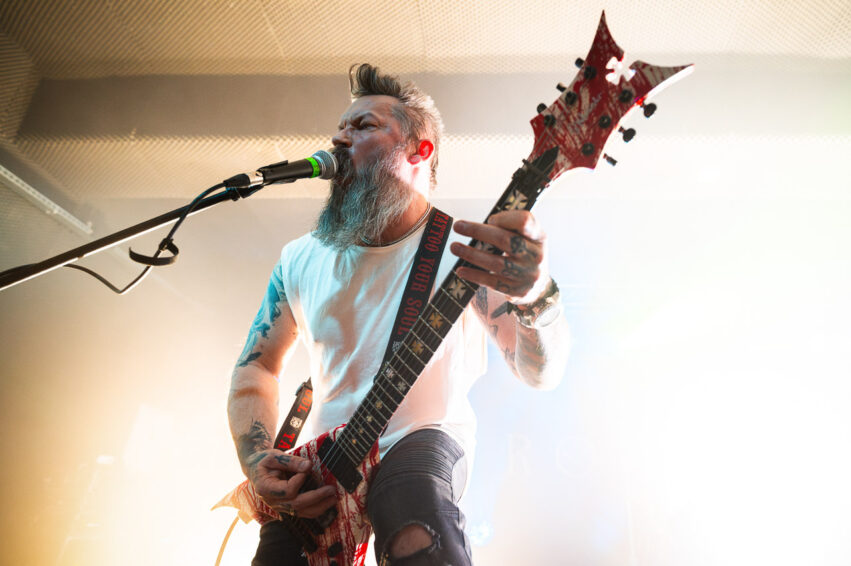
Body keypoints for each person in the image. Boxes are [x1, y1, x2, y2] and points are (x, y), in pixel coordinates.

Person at [227, 63, 570, 565]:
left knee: (413, 510)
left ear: (419, 150)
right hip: (323, 472)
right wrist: (258, 459)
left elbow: (539, 373)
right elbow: (256, 366)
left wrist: (538, 296)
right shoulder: (299, 258)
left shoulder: (464, 252)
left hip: (423, 441)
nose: (340, 138)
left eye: (363, 125)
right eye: (339, 127)